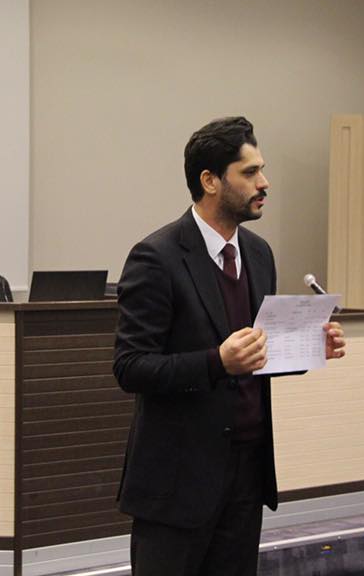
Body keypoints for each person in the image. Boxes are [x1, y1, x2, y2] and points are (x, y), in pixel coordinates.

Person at [113, 116, 346, 576]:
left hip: (246, 472)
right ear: (210, 181)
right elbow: (131, 366)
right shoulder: (156, 257)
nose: (265, 183)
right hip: (178, 481)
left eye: (262, 170)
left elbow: (257, 354)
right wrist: (216, 361)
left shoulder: (259, 253)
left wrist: (309, 346)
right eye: (250, 172)